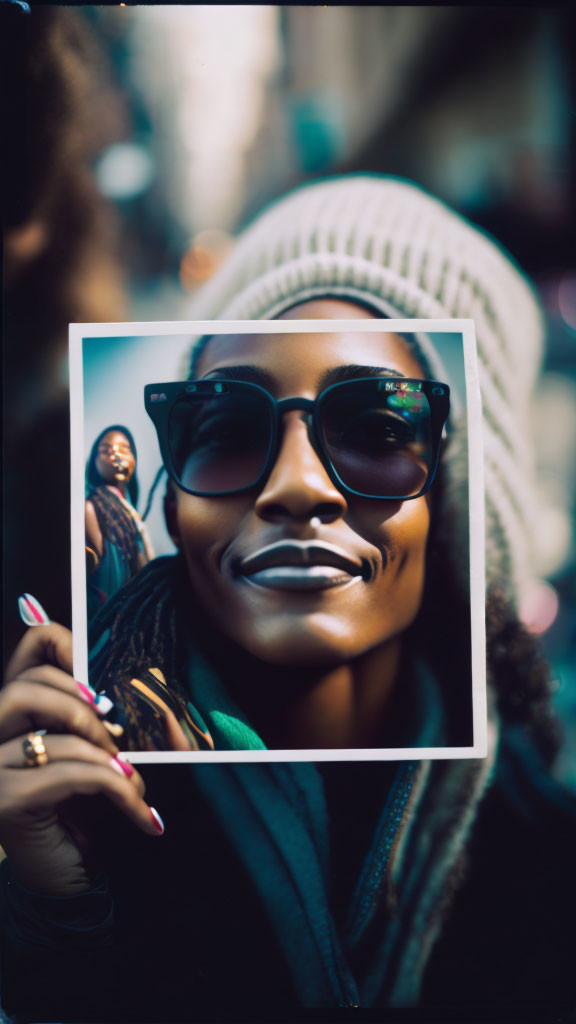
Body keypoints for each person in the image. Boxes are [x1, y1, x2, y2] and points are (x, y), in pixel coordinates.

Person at [1, 176, 575, 1020]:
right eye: (229, 429)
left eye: (380, 428)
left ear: (459, 512)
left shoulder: (549, 865)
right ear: (172, 506)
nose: (297, 486)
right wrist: (55, 922)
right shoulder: (101, 824)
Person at [85, 425, 154, 618]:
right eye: (106, 451)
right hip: (120, 615)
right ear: (94, 463)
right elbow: (108, 575)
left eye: (124, 448)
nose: (116, 455)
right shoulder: (92, 507)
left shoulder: (130, 510)